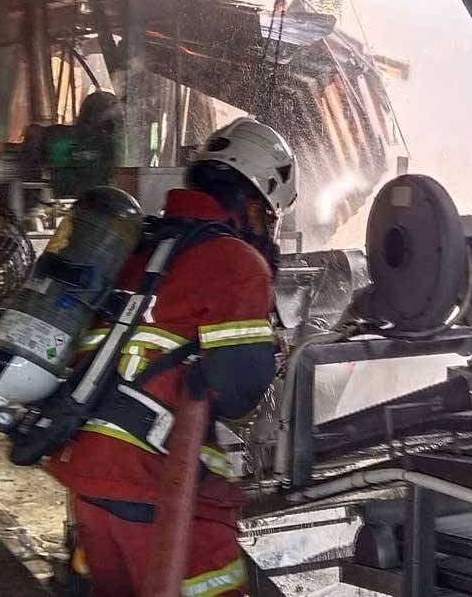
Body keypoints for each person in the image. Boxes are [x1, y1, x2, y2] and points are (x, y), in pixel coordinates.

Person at [47, 118, 296, 597]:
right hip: (159, 488)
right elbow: (237, 393)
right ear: (252, 205)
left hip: (86, 471)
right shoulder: (237, 263)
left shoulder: (139, 243)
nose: (267, 231)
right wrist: (265, 347)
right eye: (269, 218)